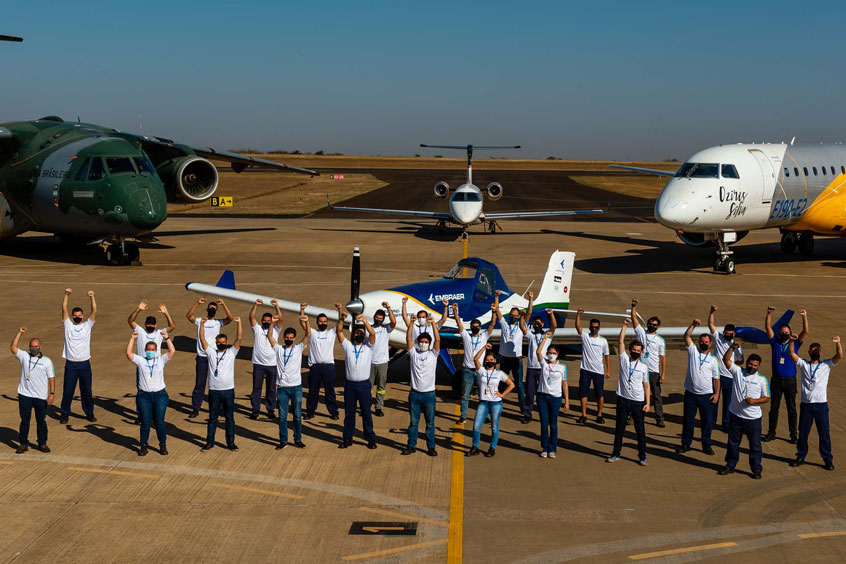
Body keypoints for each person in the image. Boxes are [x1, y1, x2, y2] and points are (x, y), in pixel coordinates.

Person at [787, 335, 840, 470]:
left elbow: (839, 356)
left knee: (824, 434)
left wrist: (838, 343)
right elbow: (792, 353)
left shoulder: (826, 365)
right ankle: (801, 456)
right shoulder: (804, 364)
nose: (815, 352)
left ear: (820, 353)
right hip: (806, 405)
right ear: (809, 352)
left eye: (817, 351)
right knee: (803, 432)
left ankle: (827, 459)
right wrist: (792, 341)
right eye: (812, 350)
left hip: (821, 405)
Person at [719, 346, 770, 479]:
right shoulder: (738, 371)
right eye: (750, 364)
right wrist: (731, 348)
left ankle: (756, 469)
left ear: (758, 366)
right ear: (746, 363)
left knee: (755, 445)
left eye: (755, 365)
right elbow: (726, 360)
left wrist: (754, 401)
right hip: (735, 416)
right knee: (733, 443)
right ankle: (730, 465)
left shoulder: (762, 380)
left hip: (753, 419)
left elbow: (767, 398)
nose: (752, 367)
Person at [606, 320, 650, 465]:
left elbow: (647, 386)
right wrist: (624, 326)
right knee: (619, 428)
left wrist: (648, 403)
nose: (636, 352)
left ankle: (642, 456)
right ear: (630, 350)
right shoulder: (624, 359)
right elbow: (620, 341)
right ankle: (615, 453)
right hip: (623, 399)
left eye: (638, 351)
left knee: (640, 430)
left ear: (641, 352)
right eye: (634, 350)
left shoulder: (644, 367)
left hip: (638, 401)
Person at [125, 330, 175, 456]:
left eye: (153, 349)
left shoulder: (161, 360)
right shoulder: (141, 360)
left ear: (156, 351)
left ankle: (162, 445)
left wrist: (167, 338)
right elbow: (129, 354)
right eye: (148, 349)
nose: (150, 351)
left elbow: (172, 351)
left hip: (160, 396)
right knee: (146, 422)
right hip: (144, 396)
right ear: (145, 350)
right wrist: (132, 339)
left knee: (159, 422)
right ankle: (143, 445)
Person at [763, 307, 809, 443]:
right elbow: (767, 328)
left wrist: (804, 317)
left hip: (790, 381)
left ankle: (793, 435)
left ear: (790, 333)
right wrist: (769, 314)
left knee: (791, 409)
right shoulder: (775, 343)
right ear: (779, 333)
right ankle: (771, 432)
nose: (784, 334)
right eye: (782, 332)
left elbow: (805, 331)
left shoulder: (795, 343)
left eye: (786, 333)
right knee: (774, 408)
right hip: (776, 380)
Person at [676, 319, 721, 455]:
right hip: (691, 394)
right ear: (698, 342)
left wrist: (717, 393)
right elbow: (686, 336)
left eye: (706, 342)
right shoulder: (693, 351)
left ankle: (706, 444)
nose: (704, 344)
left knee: (706, 422)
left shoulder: (714, 360)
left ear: (710, 343)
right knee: (688, 420)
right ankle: (686, 443)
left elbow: (716, 378)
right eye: (702, 341)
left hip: (706, 395)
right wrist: (693, 325)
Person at [336, 304, 378, 449]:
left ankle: (370, 439)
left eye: (361, 333)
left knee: (366, 412)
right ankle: (347, 438)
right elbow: (339, 331)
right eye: (357, 333)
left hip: (364, 385)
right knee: (349, 413)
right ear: (353, 335)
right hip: (350, 385)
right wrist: (341, 318)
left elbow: (372, 335)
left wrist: (364, 321)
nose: (359, 335)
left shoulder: (368, 347)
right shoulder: (348, 346)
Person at [128, 300, 176, 425]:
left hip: (156, 365)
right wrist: (138, 309)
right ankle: (141, 415)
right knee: (141, 390)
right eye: (148, 324)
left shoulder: (160, 333)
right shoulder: (140, 331)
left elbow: (172, 326)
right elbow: (130, 321)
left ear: (155, 325)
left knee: (156, 389)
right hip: (142, 364)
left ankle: (156, 415)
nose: (150, 326)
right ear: (145, 324)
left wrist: (166, 313)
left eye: (152, 324)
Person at [267, 312, 310, 450]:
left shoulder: (298, 348)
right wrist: (272, 323)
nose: (289, 339)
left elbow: (308, 335)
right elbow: (269, 336)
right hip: (282, 388)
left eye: (291, 338)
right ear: (284, 338)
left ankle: (297, 439)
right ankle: (283, 440)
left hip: (296, 387)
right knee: (282, 417)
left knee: (297, 416)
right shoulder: (279, 349)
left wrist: (307, 322)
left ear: (294, 338)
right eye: (286, 337)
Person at [199, 316, 242, 452]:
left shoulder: (231, 353)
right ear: (216, 343)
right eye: (219, 342)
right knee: (213, 418)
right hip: (214, 390)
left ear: (227, 342)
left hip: (228, 390)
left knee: (229, 418)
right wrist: (201, 324)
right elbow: (202, 339)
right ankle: (209, 442)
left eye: (223, 342)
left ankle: (231, 442)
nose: (221, 344)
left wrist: (239, 323)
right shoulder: (211, 353)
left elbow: (239, 339)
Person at [186, 297, 233, 418]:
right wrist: (197, 302)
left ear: (216, 311)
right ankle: (196, 408)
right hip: (202, 356)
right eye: (210, 308)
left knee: (218, 383)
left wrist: (224, 304)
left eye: (214, 308)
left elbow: (230, 319)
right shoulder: (200, 320)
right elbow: (189, 316)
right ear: (207, 309)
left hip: (215, 357)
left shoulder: (218, 322)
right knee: (200, 383)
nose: (212, 309)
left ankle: (220, 408)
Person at [401, 313, 440, 456]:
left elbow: (438, 339)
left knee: (430, 424)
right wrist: (411, 323)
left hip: (429, 395)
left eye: (426, 342)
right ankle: (411, 446)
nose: (423, 343)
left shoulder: (433, 354)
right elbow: (408, 338)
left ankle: (431, 447)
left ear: (429, 344)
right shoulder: (413, 354)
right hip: (415, 394)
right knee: (413, 423)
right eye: (421, 342)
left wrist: (434, 324)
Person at [11, 327, 55, 454]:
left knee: (41, 421)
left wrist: (51, 394)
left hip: (40, 396)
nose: (33, 348)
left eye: (36, 346)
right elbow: (13, 348)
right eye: (31, 346)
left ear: (40, 347)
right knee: (25, 421)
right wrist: (19, 332)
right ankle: (23, 444)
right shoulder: (24, 356)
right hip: (25, 394)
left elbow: (51, 378)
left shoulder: (47, 361)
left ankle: (42, 443)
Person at [466, 344, 515, 457]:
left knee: (494, 426)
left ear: (495, 361)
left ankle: (492, 448)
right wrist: (484, 348)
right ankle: (475, 447)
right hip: (483, 402)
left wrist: (502, 394)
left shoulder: (499, 373)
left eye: (491, 360)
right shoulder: (482, 371)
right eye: (487, 360)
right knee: (476, 426)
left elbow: (511, 384)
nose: (489, 361)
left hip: (495, 403)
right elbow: (475, 359)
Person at [454, 300, 497, 425]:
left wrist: (494, 311)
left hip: (480, 370)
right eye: (473, 325)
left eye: (478, 326)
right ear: (471, 327)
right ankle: (463, 416)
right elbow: (459, 323)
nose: (475, 327)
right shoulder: (466, 336)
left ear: (480, 327)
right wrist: (455, 310)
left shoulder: (484, 337)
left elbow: (493, 324)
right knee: (465, 396)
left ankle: (484, 416)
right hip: (467, 370)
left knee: (483, 395)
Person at [59, 288, 97, 424]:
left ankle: (89, 412)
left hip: (85, 364)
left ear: (82, 316)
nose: (77, 317)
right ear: (72, 316)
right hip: (71, 364)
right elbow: (64, 308)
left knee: (86, 391)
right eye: (75, 315)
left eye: (79, 315)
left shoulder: (87, 325)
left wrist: (92, 297)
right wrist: (66, 295)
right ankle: (64, 413)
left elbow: (94, 311)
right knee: (68, 391)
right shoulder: (68, 325)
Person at [708, 305, 744, 432]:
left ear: (734, 333)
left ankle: (726, 424)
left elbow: (741, 360)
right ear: (723, 333)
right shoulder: (718, 338)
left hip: (729, 377)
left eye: (730, 334)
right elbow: (711, 324)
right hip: (716, 375)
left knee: (728, 402)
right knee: (714, 399)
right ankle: (711, 423)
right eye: (726, 334)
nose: (728, 335)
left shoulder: (737, 346)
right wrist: (712, 312)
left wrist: (732, 364)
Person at [631, 299, 666, 427]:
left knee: (656, 395)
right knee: (637, 394)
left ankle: (659, 417)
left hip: (653, 371)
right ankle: (634, 415)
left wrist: (663, 374)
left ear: (658, 327)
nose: (652, 325)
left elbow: (662, 358)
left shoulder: (660, 340)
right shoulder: (641, 333)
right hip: (640, 369)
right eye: (650, 323)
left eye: (654, 324)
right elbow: (634, 318)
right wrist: (633, 306)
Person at [494, 289, 529, 420]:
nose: (512, 317)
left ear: (519, 316)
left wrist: (530, 301)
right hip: (504, 359)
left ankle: (522, 408)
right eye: (511, 315)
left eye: (515, 315)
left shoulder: (521, 325)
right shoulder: (504, 324)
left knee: (519, 384)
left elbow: (529, 313)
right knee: (501, 383)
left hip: (516, 360)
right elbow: (497, 311)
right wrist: (496, 297)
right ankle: (497, 404)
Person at [248, 299, 284, 420]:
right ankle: (255, 409)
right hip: (258, 364)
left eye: (269, 320)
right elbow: (251, 316)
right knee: (256, 388)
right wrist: (256, 305)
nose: (266, 322)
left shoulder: (276, 330)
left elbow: (281, 319)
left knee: (271, 388)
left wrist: (277, 306)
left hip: (272, 364)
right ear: (262, 321)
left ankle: (270, 409)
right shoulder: (257, 329)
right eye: (265, 320)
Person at [525, 297, 559, 424]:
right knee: (529, 393)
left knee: (544, 392)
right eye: (535, 324)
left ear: (542, 324)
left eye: (539, 323)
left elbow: (554, 326)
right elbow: (523, 328)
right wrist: (525, 312)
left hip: (544, 367)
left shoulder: (548, 335)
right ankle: (528, 414)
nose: (536, 325)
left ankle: (544, 413)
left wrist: (551, 315)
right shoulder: (531, 335)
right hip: (531, 367)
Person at [535, 329, 568, 459]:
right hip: (542, 397)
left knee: (553, 424)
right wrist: (545, 339)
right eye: (549, 353)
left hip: (555, 398)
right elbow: (538, 352)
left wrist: (567, 401)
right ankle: (544, 447)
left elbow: (564, 384)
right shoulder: (544, 363)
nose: (551, 355)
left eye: (553, 353)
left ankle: (553, 448)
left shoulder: (562, 367)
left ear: (557, 355)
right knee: (544, 423)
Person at [574, 308, 610, 424]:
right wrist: (578, 314)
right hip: (585, 370)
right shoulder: (585, 336)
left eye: (596, 327)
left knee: (599, 394)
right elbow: (577, 327)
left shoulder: (603, 341)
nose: (594, 329)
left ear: (599, 328)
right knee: (583, 393)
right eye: (592, 327)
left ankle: (599, 415)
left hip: (598, 371)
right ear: (589, 327)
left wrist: (608, 370)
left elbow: (607, 356)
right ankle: (584, 414)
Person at [305, 312, 340, 421]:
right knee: (313, 391)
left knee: (330, 391)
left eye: (325, 321)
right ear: (317, 322)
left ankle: (333, 412)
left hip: (328, 367)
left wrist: (339, 310)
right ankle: (310, 411)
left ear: (327, 322)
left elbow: (340, 324)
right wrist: (302, 311)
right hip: (315, 367)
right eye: (321, 321)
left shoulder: (331, 332)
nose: (323, 323)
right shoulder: (313, 333)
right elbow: (303, 323)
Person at [370, 301, 397, 417]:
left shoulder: (386, 328)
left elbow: (394, 322)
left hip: (382, 363)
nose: (378, 319)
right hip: (369, 363)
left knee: (381, 387)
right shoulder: (368, 328)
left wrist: (388, 308)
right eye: (376, 317)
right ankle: (366, 406)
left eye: (380, 318)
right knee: (368, 387)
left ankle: (378, 406)